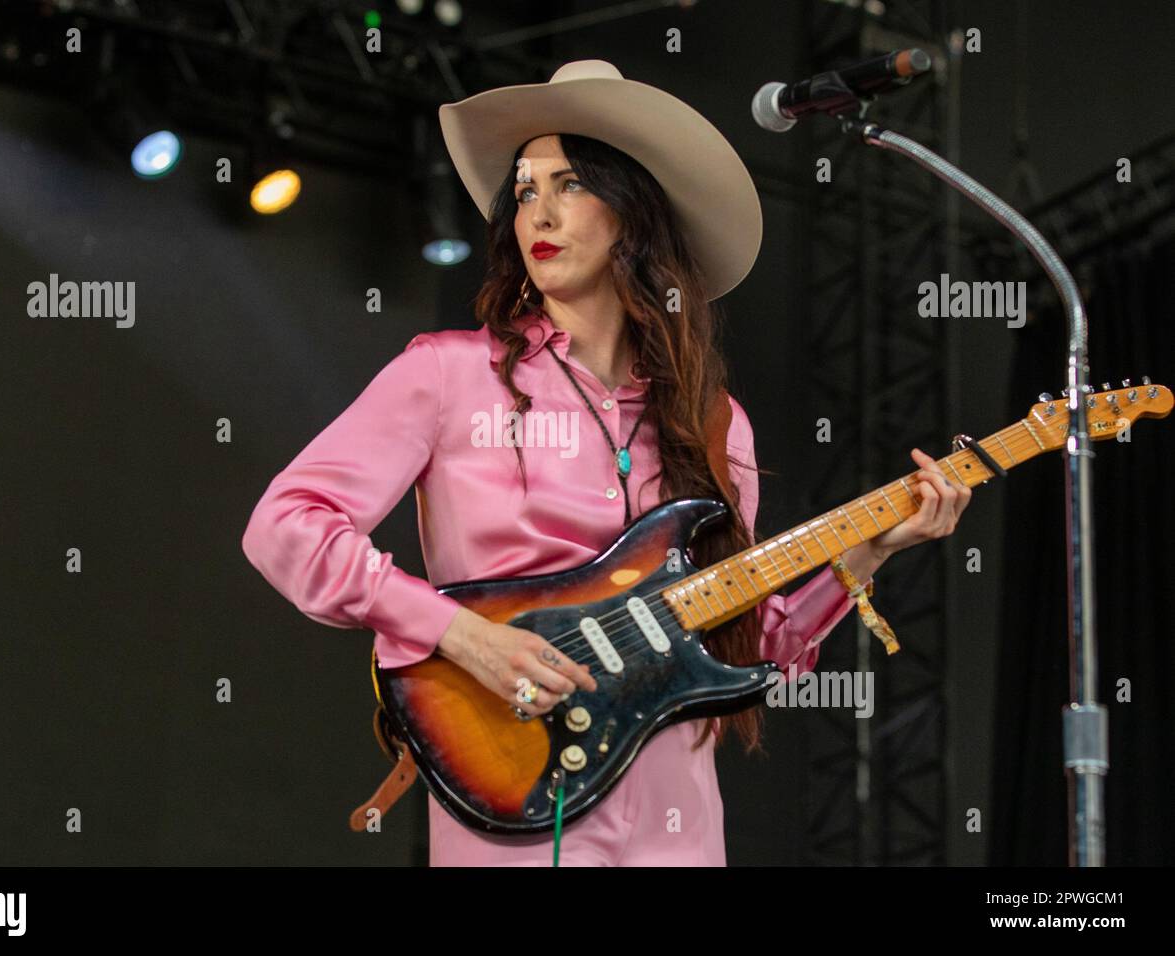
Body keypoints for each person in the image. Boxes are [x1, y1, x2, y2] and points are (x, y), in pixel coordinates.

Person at [240, 60, 971, 866]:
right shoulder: (448, 375)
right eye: (524, 190)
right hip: (519, 792)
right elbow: (285, 526)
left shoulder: (715, 421)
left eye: (571, 185)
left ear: (635, 212)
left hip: (677, 814)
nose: (538, 213)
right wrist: (458, 633)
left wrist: (865, 555)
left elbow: (746, 641)